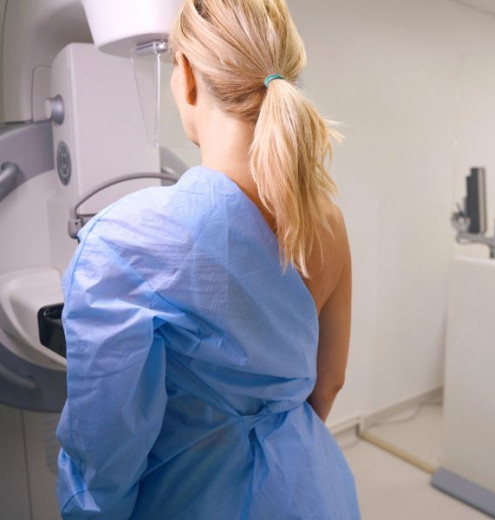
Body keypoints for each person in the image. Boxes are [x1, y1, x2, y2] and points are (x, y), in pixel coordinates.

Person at [56, 0, 359, 518]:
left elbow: (104, 455)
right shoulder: (327, 221)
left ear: (189, 77)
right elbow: (327, 383)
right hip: (312, 488)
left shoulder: (124, 241)